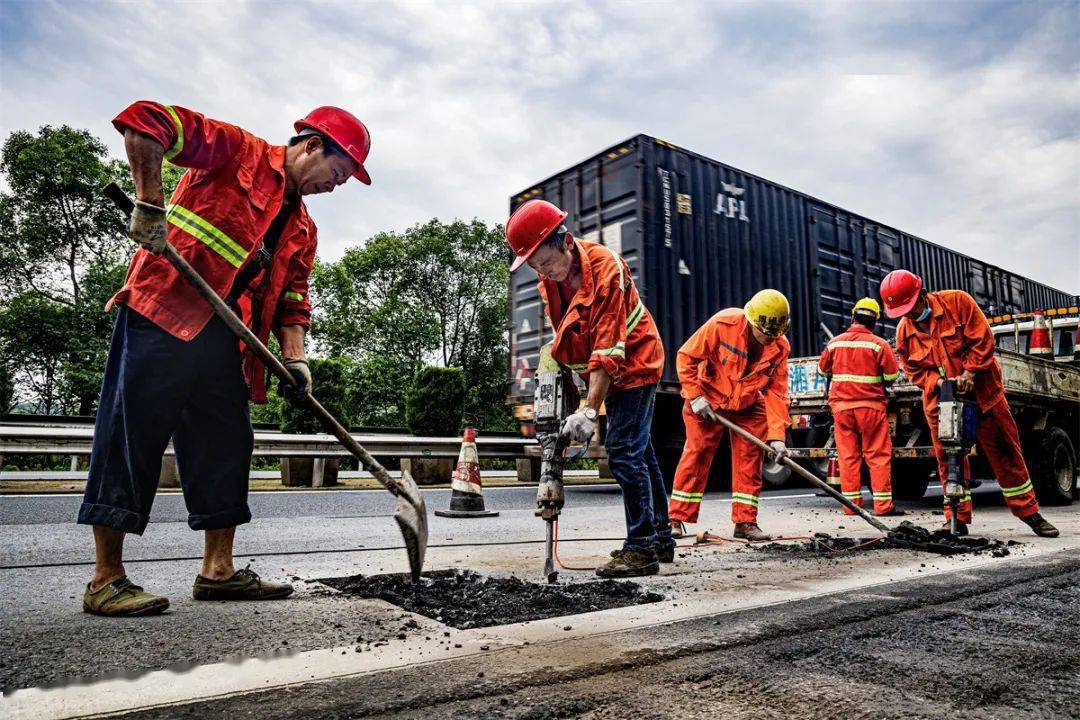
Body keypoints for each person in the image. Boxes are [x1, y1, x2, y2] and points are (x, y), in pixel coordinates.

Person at [79, 101, 373, 616]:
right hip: (164, 309)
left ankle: (218, 571)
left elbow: (292, 299)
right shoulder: (234, 150)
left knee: (227, 445)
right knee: (133, 437)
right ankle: (106, 579)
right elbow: (144, 120)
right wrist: (149, 204)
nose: (337, 185)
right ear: (311, 146)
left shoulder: (303, 229)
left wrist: (296, 359)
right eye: (339, 172)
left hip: (227, 341)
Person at [506, 199, 672, 577]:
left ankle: (642, 549)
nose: (544, 273)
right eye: (535, 267)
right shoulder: (550, 280)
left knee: (623, 453)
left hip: (635, 364)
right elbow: (567, 338)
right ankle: (661, 536)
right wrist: (561, 379)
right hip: (601, 373)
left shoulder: (606, 269)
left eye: (546, 262)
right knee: (641, 453)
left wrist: (588, 408)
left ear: (563, 240)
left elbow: (608, 347)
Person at [881, 269, 1058, 537]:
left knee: (1006, 454)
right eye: (903, 311)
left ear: (922, 294)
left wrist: (970, 373)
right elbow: (914, 370)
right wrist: (939, 383)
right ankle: (956, 518)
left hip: (983, 395)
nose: (910, 315)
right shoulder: (905, 332)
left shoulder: (958, 303)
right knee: (948, 460)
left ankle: (1029, 513)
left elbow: (983, 340)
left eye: (911, 308)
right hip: (942, 403)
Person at [669, 290, 791, 542]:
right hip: (707, 399)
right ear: (752, 321)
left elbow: (777, 394)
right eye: (764, 334)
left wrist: (777, 437)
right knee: (697, 454)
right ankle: (675, 519)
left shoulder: (779, 347)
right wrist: (694, 396)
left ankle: (745, 522)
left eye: (774, 335)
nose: (769, 340)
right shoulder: (723, 324)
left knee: (750, 460)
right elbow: (686, 356)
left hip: (746, 404)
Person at [818, 298, 905, 517]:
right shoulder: (879, 344)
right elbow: (892, 376)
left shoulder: (835, 343)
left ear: (853, 316)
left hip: (842, 409)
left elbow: (822, 370)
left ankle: (851, 506)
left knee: (848, 457)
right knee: (877, 456)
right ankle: (883, 506)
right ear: (875, 320)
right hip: (871, 408)